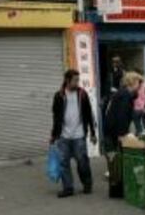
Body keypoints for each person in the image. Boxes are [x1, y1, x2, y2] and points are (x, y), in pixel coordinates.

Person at [50, 69, 97, 198]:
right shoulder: (59, 96)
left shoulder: (82, 94)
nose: (77, 82)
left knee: (82, 161)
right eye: (75, 80)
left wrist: (93, 133)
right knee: (64, 162)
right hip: (63, 136)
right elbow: (56, 117)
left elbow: (89, 115)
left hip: (79, 135)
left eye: (78, 80)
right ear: (67, 80)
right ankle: (68, 188)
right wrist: (53, 135)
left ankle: (87, 183)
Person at [132, 70, 145, 135]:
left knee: (138, 127)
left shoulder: (134, 85)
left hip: (136, 109)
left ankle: (140, 140)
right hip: (143, 109)